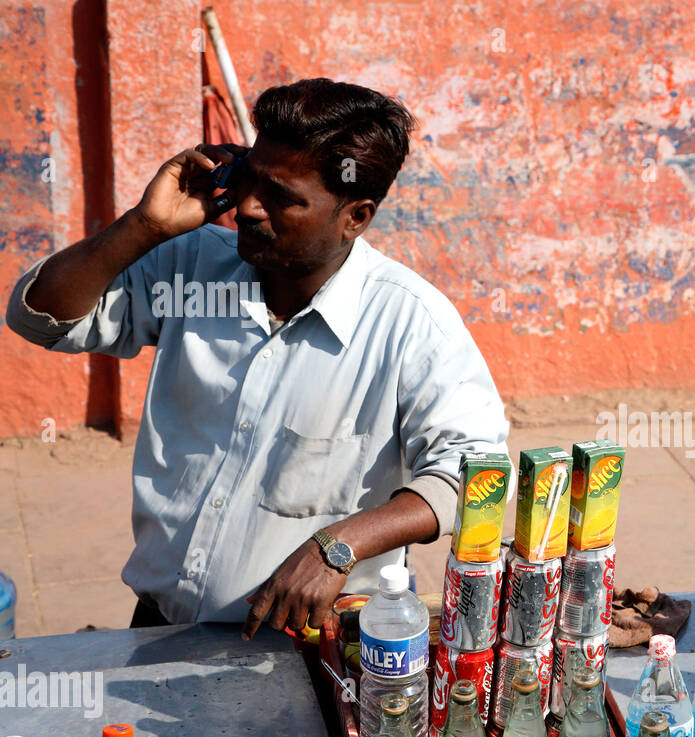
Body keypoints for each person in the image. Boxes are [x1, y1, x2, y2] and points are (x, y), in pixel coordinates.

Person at [4, 78, 508, 636]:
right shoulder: (189, 266)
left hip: (304, 648)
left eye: (282, 197)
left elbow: (476, 474)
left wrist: (337, 546)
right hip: (157, 627)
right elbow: (39, 318)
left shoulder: (411, 323)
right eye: (249, 181)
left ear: (356, 217)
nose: (247, 208)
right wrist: (143, 226)